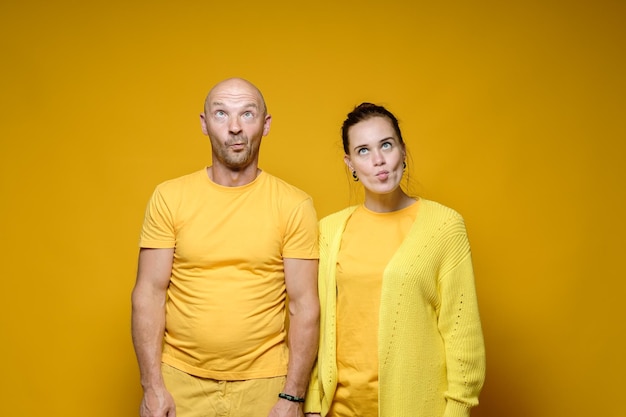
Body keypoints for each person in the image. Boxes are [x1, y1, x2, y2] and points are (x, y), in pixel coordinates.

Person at [131, 77, 320, 417]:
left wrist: (292, 397)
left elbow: (304, 305)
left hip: (267, 385)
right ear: (204, 124)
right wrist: (152, 386)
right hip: (178, 382)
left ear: (266, 124)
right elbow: (148, 293)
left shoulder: (294, 204)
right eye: (221, 114)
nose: (234, 128)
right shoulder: (169, 197)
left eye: (247, 114)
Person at [304, 103, 486, 417]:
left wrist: (458, 409)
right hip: (338, 408)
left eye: (386, 145)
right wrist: (310, 404)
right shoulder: (329, 230)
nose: (378, 161)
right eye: (363, 151)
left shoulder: (444, 226)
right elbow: (316, 325)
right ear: (350, 164)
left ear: (402, 150)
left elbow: (461, 331)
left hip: (414, 406)